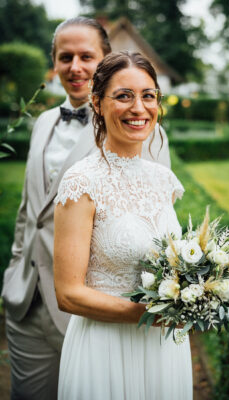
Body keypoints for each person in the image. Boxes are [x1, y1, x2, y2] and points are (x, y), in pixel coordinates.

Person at [1, 17, 171, 400]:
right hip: (27, 303)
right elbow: (30, 212)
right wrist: (14, 274)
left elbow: (153, 223)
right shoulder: (43, 122)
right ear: (55, 63)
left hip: (97, 313)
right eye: (65, 57)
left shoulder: (143, 129)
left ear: (106, 59)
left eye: (86, 56)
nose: (75, 67)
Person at [54, 51, 192, 400]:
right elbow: (68, 293)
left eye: (148, 95)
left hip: (164, 349)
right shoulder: (82, 182)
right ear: (97, 104)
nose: (139, 108)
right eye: (124, 96)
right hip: (105, 350)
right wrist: (150, 315)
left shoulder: (164, 180)